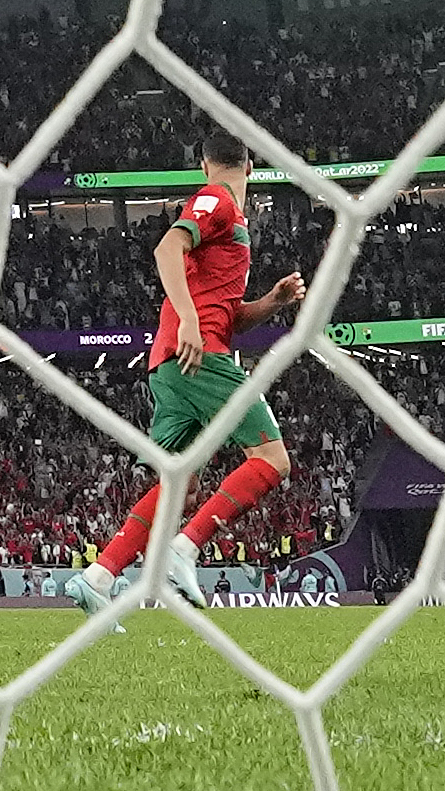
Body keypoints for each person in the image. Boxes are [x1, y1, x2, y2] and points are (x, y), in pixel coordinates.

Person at [65, 130, 307, 619]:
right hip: (198, 357)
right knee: (272, 459)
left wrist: (271, 304)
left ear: (203, 163)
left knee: (182, 486)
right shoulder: (216, 199)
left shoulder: (231, 223)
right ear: (250, 167)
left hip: (173, 365)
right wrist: (191, 322)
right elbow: (165, 250)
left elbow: (230, 316)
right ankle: (186, 547)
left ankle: (98, 576)